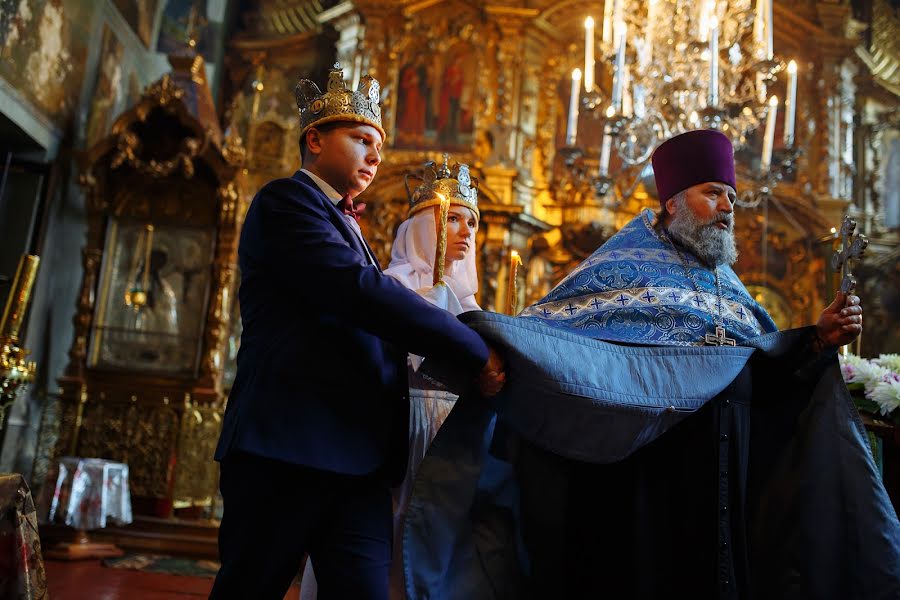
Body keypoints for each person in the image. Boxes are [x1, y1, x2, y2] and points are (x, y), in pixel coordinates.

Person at [402, 130, 900, 599]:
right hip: (647, 485)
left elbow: (759, 370)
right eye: (713, 193)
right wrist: (488, 342)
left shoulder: (729, 286)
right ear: (674, 202)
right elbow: (559, 350)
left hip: (726, 483)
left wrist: (817, 339)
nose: (728, 207)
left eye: (732, 197)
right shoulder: (617, 270)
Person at [209, 65, 505, 600]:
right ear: (315, 140)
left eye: (378, 145)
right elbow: (359, 291)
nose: (375, 155)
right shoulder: (286, 203)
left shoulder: (347, 224)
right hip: (289, 450)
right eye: (361, 139)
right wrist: (473, 349)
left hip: (358, 465)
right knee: (249, 588)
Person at [302, 155, 483, 600]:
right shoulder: (392, 287)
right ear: (423, 225)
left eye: (472, 224)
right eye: (452, 218)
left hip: (452, 439)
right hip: (401, 430)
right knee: (388, 550)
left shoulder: (471, 304)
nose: (465, 232)